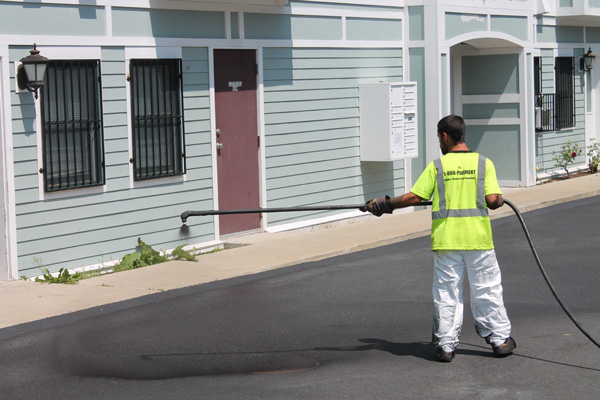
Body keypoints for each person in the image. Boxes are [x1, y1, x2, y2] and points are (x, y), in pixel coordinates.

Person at [361, 114, 516, 362]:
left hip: (447, 242)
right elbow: (492, 200)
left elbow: (415, 197)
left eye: (438, 139)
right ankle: (499, 340)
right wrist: (497, 200)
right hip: (478, 240)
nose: (439, 144)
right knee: (487, 290)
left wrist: (383, 204)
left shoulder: (437, 167)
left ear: (445, 136)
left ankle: (446, 347)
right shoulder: (484, 163)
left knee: (447, 294)